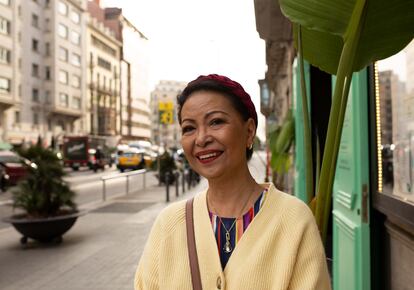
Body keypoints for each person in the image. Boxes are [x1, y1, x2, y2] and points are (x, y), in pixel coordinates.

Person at [134, 74, 331, 289]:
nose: (201, 138)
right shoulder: (169, 224)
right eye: (189, 128)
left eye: (216, 122)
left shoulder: (294, 220)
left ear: (249, 131)